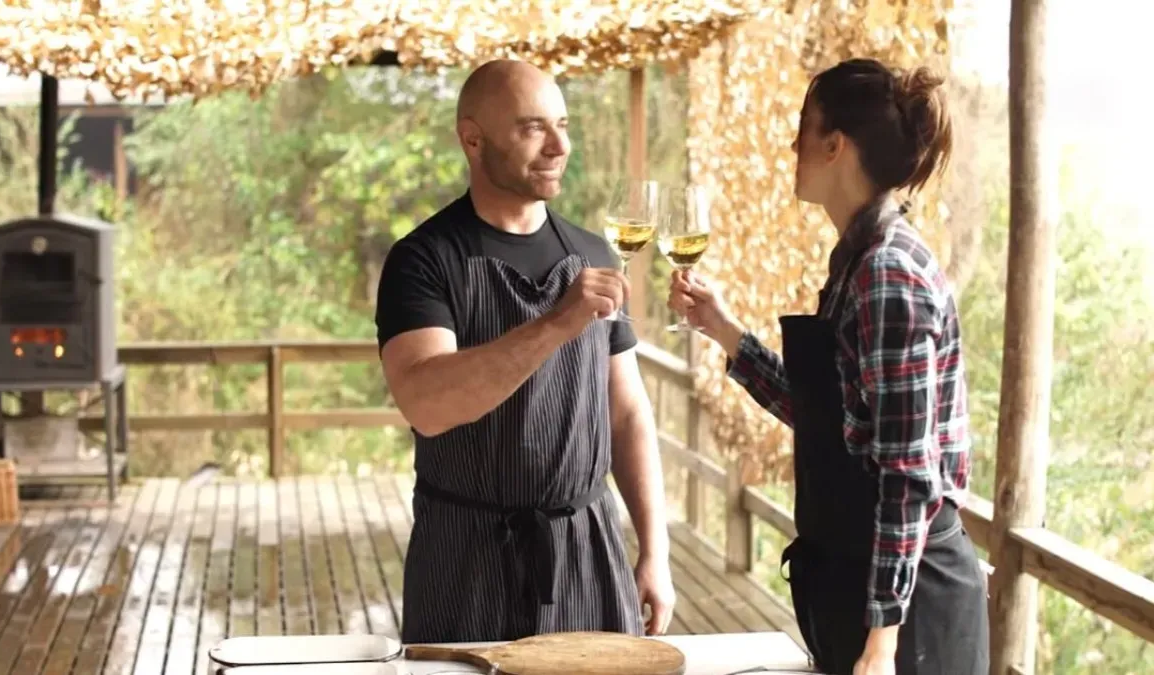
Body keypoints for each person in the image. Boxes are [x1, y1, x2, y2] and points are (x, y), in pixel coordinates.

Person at [668, 58, 988, 675]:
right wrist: (726, 331)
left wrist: (882, 640)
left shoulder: (888, 273)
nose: (793, 145)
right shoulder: (857, 260)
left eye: (803, 129)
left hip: (909, 615)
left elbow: (908, 473)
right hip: (863, 591)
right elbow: (835, 421)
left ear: (835, 144)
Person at [375, 59, 675, 644]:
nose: (559, 145)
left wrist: (654, 552)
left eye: (563, 124)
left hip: (589, 551)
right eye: (532, 127)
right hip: (465, 560)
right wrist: (557, 322)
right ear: (472, 138)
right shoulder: (423, 260)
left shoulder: (593, 254)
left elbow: (627, 413)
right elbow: (427, 402)